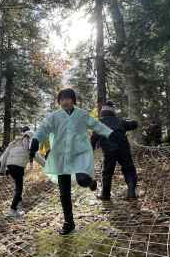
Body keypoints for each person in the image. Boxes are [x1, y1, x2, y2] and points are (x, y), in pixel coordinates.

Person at [29, 88, 114, 235]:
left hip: (79, 153)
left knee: (82, 179)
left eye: (68, 98)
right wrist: (36, 139)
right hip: (60, 156)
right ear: (59, 101)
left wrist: (110, 133)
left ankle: (90, 181)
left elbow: (96, 125)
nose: (65, 101)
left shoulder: (82, 114)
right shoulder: (54, 116)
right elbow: (43, 128)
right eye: (62, 99)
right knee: (64, 192)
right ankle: (69, 222)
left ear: (73, 100)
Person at [91, 101, 138, 201]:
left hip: (109, 151)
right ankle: (131, 192)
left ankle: (105, 194)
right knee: (129, 169)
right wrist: (131, 121)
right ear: (113, 112)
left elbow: (93, 139)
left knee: (107, 172)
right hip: (123, 148)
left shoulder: (99, 123)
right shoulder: (120, 121)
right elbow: (134, 124)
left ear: (102, 112)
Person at [0, 128, 44, 218]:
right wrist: (47, 165)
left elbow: (5, 155)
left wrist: (2, 169)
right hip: (18, 167)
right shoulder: (29, 145)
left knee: (17, 185)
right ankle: (12, 210)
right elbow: (36, 156)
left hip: (10, 166)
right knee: (19, 189)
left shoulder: (14, 143)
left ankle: (18, 203)